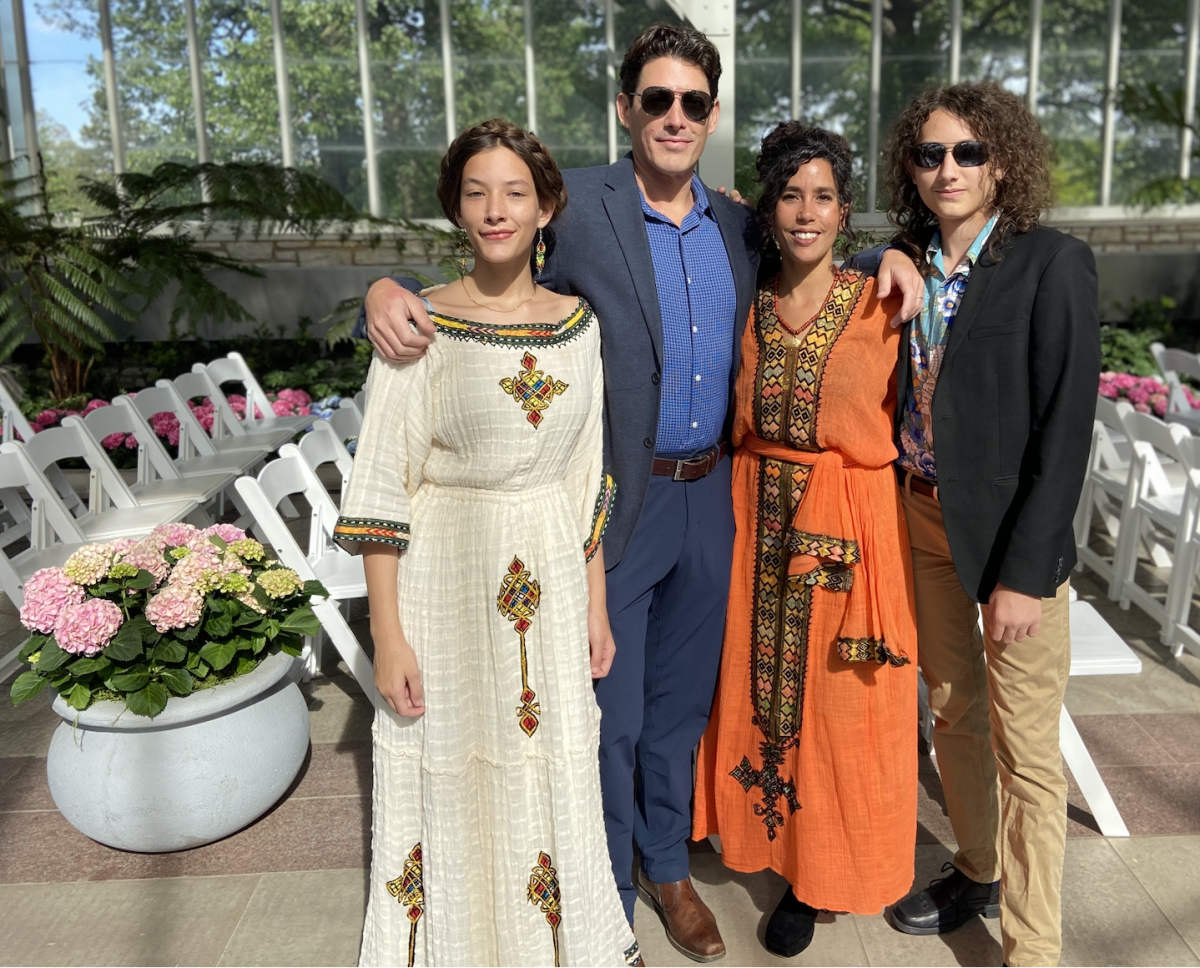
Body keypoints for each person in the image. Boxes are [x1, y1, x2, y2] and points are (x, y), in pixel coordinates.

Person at [358, 24, 925, 961]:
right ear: (626, 109)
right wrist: (389, 283)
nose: (674, 116)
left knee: (680, 707)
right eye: (655, 99)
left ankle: (668, 867)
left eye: (693, 102)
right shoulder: (576, 203)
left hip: (718, 498)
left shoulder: (739, 221)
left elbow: (811, 251)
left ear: (710, 115)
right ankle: (605, 876)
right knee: (608, 711)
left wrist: (888, 258)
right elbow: (487, 260)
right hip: (616, 501)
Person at [334, 118, 640, 968]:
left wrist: (597, 606)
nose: (495, 210)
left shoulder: (579, 326)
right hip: (446, 577)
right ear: (456, 211)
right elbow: (383, 489)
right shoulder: (417, 326)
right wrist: (386, 632)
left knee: (547, 758)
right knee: (453, 759)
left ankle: (552, 941)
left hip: (549, 568)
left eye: (515, 192)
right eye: (476, 193)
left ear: (547, 208)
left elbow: (587, 477)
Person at [881, 83, 1100, 968]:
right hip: (924, 520)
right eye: (931, 154)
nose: (948, 169)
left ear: (1002, 163)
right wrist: (877, 261)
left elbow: (1067, 427)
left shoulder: (1052, 260)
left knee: (1029, 754)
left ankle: (1034, 948)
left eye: (968, 152)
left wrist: (1025, 573)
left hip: (1013, 545)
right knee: (953, 714)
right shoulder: (904, 256)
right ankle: (976, 867)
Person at [692, 122, 918, 959]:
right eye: (791, 193)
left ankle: (819, 875)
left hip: (848, 526)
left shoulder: (883, 300)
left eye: (823, 195)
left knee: (837, 703)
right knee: (756, 688)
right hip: (755, 515)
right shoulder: (747, 303)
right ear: (769, 208)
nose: (806, 210)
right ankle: (761, 841)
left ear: (845, 208)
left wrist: (900, 253)